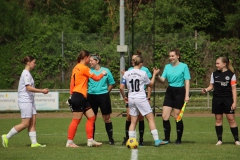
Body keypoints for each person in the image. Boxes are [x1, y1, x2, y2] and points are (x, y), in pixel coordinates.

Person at [120, 55, 168, 147]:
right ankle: (157, 140)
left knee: (133, 121)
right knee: (150, 119)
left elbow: (121, 87)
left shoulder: (126, 73)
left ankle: (131, 141)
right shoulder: (143, 73)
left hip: (131, 98)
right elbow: (150, 84)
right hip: (141, 98)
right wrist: (154, 74)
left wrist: (124, 97)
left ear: (133, 62)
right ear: (141, 64)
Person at [1, 56, 49, 148]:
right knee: (25, 123)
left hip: (30, 101)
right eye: (34, 62)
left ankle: (34, 143)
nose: (35, 64)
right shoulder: (26, 74)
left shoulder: (28, 73)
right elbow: (28, 88)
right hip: (25, 101)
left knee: (33, 122)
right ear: (28, 63)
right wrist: (42, 91)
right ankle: (6, 136)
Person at [66, 50, 107, 148]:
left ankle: (90, 140)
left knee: (91, 117)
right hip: (79, 96)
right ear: (85, 58)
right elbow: (96, 78)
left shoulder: (75, 67)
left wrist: (71, 95)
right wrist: (103, 73)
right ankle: (70, 142)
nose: (90, 59)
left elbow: (72, 83)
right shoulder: (84, 68)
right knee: (76, 120)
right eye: (89, 57)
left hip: (79, 96)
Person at [202, 56, 240, 145]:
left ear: (224, 64)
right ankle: (219, 140)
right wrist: (206, 90)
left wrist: (234, 102)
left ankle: (237, 140)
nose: (216, 65)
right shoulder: (214, 74)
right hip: (217, 99)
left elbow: (234, 89)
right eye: (216, 63)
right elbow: (211, 86)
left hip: (227, 99)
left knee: (231, 119)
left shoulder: (231, 75)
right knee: (218, 119)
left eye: (218, 63)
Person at [157, 48, 191, 144]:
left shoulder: (184, 66)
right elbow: (163, 80)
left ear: (177, 56)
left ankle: (179, 139)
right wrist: (157, 75)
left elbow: (187, 81)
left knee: (177, 116)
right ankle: (167, 139)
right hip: (170, 91)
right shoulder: (167, 67)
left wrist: (187, 95)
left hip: (180, 91)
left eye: (172, 56)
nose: (171, 58)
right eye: (170, 56)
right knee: (165, 116)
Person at [122, 51, 152, 146]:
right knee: (129, 116)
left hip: (141, 95)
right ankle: (128, 138)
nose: (132, 61)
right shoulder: (129, 70)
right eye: (132, 59)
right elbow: (125, 83)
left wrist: (149, 97)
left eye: (134, 59)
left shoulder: (145, 70)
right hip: (131, 95)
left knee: (141, 117)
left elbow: (149, 85)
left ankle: (141, 139)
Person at [87, 54, 115, 145]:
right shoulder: (88, 71)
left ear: (97, 61)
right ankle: (91, 139)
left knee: (107, 118)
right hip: (91, 96)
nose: (90, 62)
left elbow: (112, 83)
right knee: (92, 118)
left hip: (103, 96)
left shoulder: (106, 71)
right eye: (89, 60)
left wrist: (106, 92)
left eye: (92, 60)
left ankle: (111, 139)